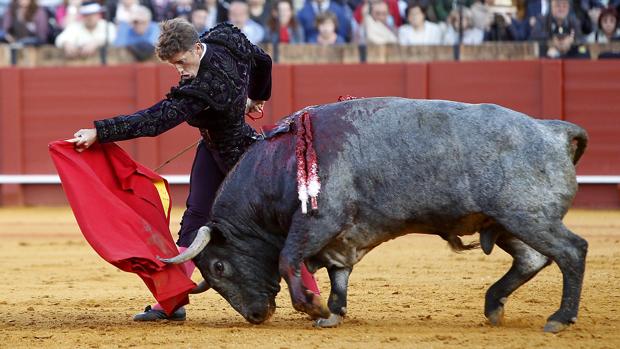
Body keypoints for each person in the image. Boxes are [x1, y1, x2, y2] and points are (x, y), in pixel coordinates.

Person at [67, 18, 320, 321]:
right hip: (215, 151)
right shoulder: (225, 37)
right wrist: (257, 97)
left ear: (198, 47)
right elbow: (262, 60)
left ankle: (310, 293)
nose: (180, 71)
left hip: (243, 161)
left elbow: (155, 121)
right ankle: (172, 302)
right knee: (194, 220)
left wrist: (99, 131)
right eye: (174, 65)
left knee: (272, 223)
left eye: (182, 62)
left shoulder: (203, 87)